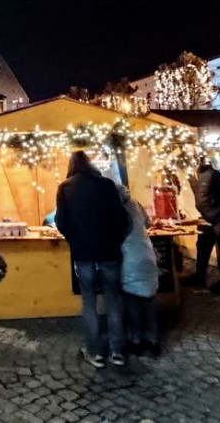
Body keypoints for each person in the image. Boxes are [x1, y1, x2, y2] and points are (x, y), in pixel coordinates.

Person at [55, 151, 130, 368]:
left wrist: (75, 239)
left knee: (89, 301)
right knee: (114, 299)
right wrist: (115, 239)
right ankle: (117, 351)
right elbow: (121, 218)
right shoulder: (106, 185)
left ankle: (95, 351)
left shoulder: (65, 187)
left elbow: (61, 221)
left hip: (83, 254)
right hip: (109, 252)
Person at [117, 184, 161, 357]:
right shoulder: (135, 203)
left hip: (129, 259)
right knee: (149, 301)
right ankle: (152, 340)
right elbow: (148, 223)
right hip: (147, 255)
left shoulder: (115, 209)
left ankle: (135, 339)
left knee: (132, 303)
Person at [184, 160, 220, 294]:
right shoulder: (194, 176)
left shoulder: (213, 175)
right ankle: (199, 276)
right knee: (202, 247)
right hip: (206, 219)